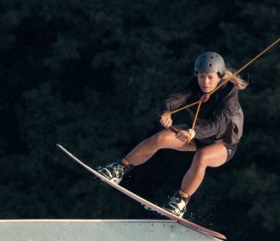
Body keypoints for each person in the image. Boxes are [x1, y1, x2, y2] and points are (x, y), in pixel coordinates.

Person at [95, 51, 246, 218]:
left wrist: (193, 132)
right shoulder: (193, 85)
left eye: (210, 77)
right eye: (201, 76)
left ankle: (180, 202)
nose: (205, 82)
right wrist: (165, 113)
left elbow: (218, 125)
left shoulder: (229, 92)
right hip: (195, 133)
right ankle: (119, 168)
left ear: (219, 76)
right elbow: (173, 99)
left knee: (201, 157)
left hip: (223, 142)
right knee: (160, 138)